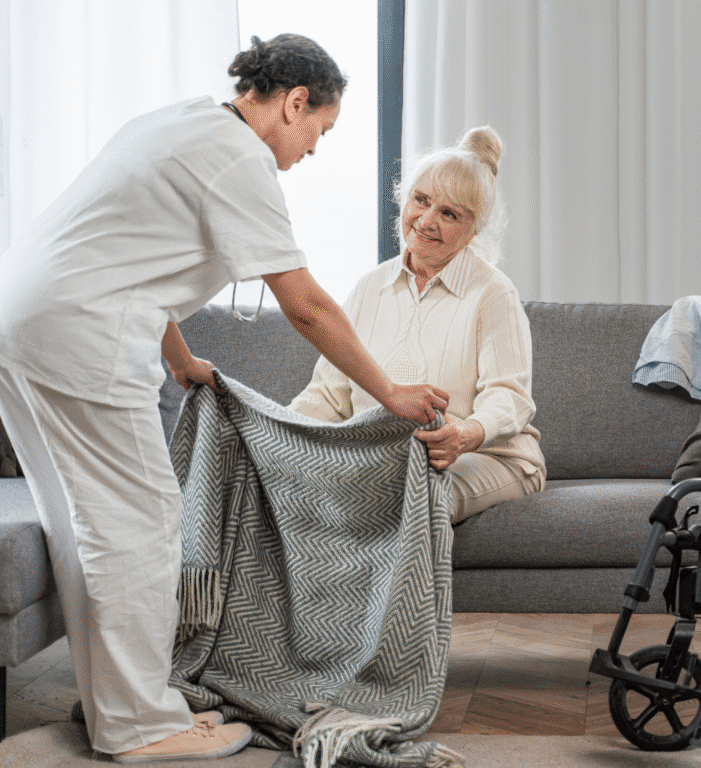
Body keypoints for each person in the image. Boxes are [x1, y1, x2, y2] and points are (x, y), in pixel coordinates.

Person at [0, 34, 447, 764]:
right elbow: (306, 305)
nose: (314, 150)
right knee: (141, 525)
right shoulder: (240, 160)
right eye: (320, 130)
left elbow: (128, 250)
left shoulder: (179, 122)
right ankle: (143, 727)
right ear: (295, 102)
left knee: (83, 527)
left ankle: (119, 710)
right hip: (80, 338)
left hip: (22, 323)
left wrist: (180, 359)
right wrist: (389, 391)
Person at [289, 127, 545, 524]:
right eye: (420, 200)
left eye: (449, 214)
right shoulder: (368, 288)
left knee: (409, 497)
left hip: (489, 457)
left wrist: (466, 434)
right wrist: (282, 434)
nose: (425, 221)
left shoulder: (494, 294)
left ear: (474, 229)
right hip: (388, 458)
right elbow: (329, 395)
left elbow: (509, 398)